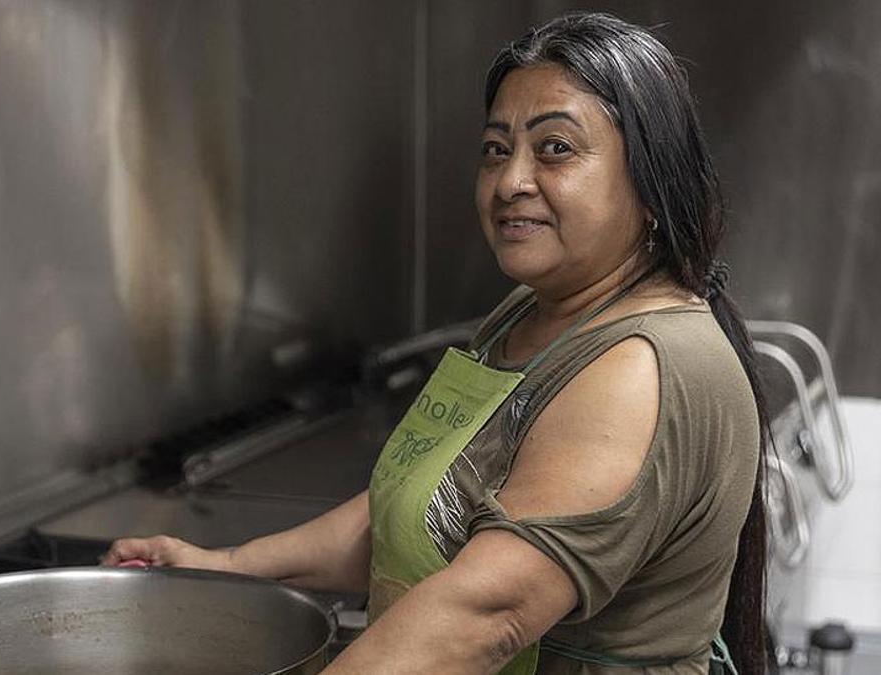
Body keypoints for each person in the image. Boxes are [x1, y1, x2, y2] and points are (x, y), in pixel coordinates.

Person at [102, 12, 768, 675]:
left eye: (555, 148)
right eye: (496, 149)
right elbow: (422, 510)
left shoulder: (635, 366)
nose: (511, 181)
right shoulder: (529, 317)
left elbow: (486, 615)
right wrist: (226, 568)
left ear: (653, 184)